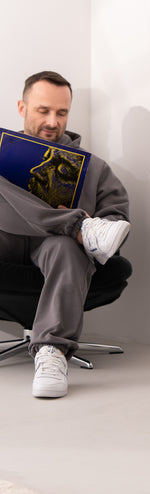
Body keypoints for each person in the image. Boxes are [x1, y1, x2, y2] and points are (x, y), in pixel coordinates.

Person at [0, 71, 130, 399]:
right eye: (43, 110)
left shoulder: (95, 169)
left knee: (67, 249)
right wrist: (77, 223)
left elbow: (116, 223)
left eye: (61, 113)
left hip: (52, 251)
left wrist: (91, 227)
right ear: (22, 107)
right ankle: (75, 224)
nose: (52, 121)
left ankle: (52, 352)